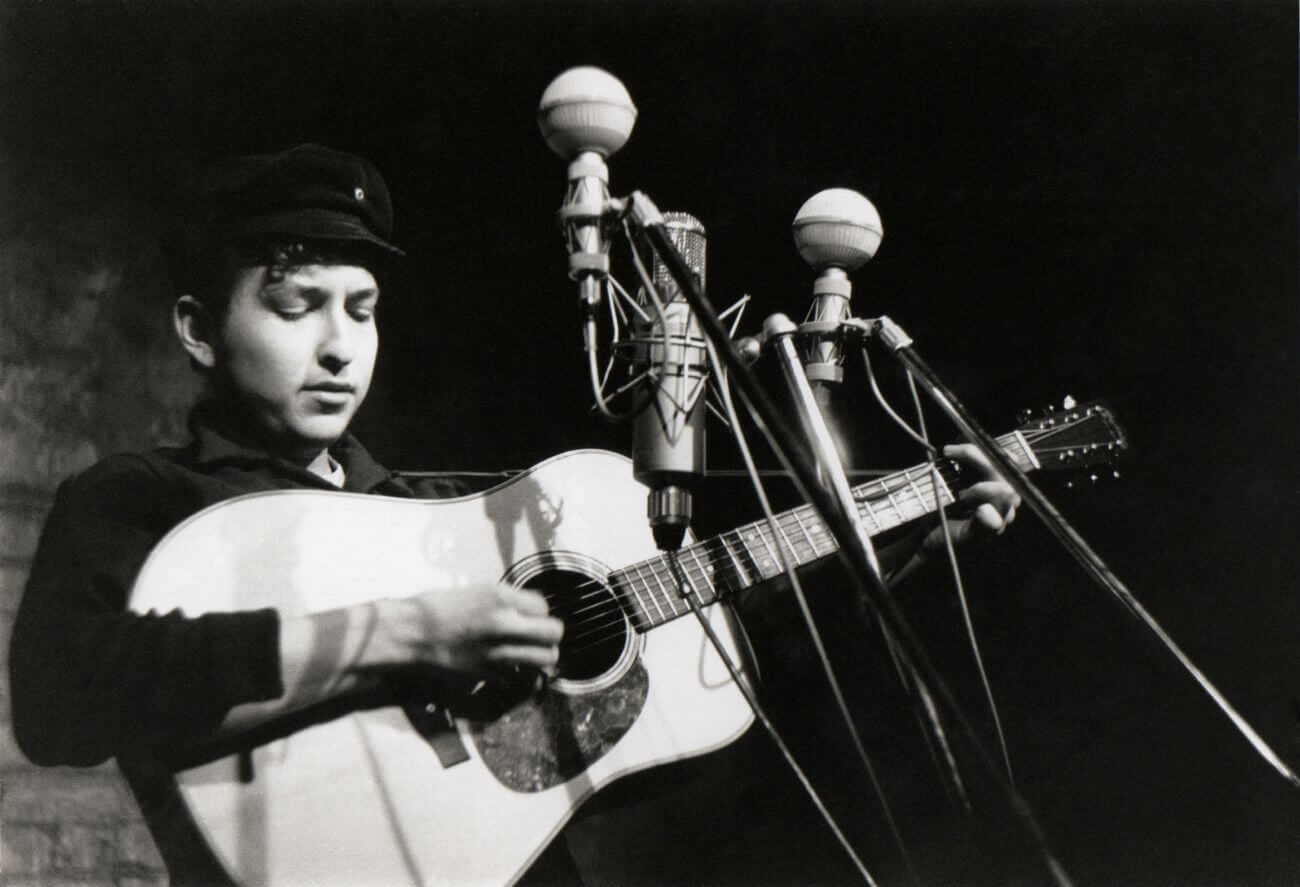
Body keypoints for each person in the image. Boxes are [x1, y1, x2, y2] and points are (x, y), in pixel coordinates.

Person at [8, 143, 1019, 885]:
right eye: (295, 304)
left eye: (360, 310)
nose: (338, 346)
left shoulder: (444, 514)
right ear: (197, 327)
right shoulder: (142, 498)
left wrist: (895, 552)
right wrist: (395, 632)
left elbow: (703, 648)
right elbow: (60, 701)